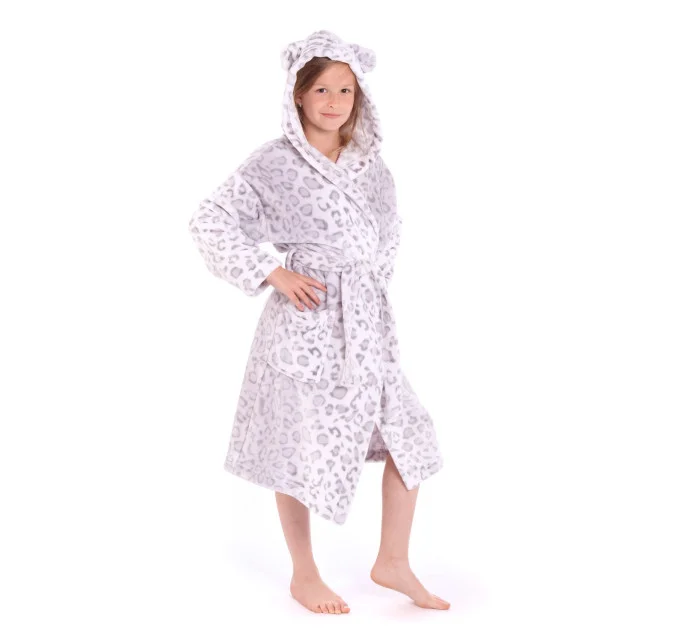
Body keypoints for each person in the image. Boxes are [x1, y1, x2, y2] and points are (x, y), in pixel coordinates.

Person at [188, 30, 448, 614]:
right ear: (299, 95)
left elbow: (389, 233)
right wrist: (272, 271)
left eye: (346, 90)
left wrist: (367, 287)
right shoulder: (274, 164)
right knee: (297, 443)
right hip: (305, 325)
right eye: (322, 89)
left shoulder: (370, 166)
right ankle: (304, 573)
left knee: (409, 432)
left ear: (360, 98)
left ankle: (393, 560)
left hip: (367, 325)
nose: (334, 101)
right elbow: (210, 220)